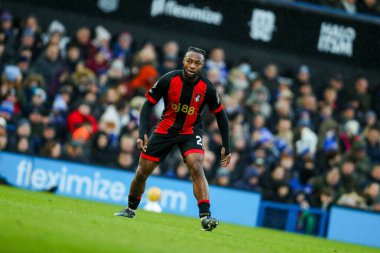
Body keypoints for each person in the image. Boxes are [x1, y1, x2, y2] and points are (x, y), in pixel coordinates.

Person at [114, 47, 232, 231]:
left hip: (190, 131)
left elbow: (222, 118)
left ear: (202, 66)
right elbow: (147, 106)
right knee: (142, 171)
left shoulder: (208, 88)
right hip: (165, 129)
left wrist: (227, 146)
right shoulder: (168, 79)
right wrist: (141, 133)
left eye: (197, 63)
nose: (192, 65)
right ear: (183, 61)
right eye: (189, 61)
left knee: (197, 165)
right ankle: (130, 208)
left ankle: (205, 217)